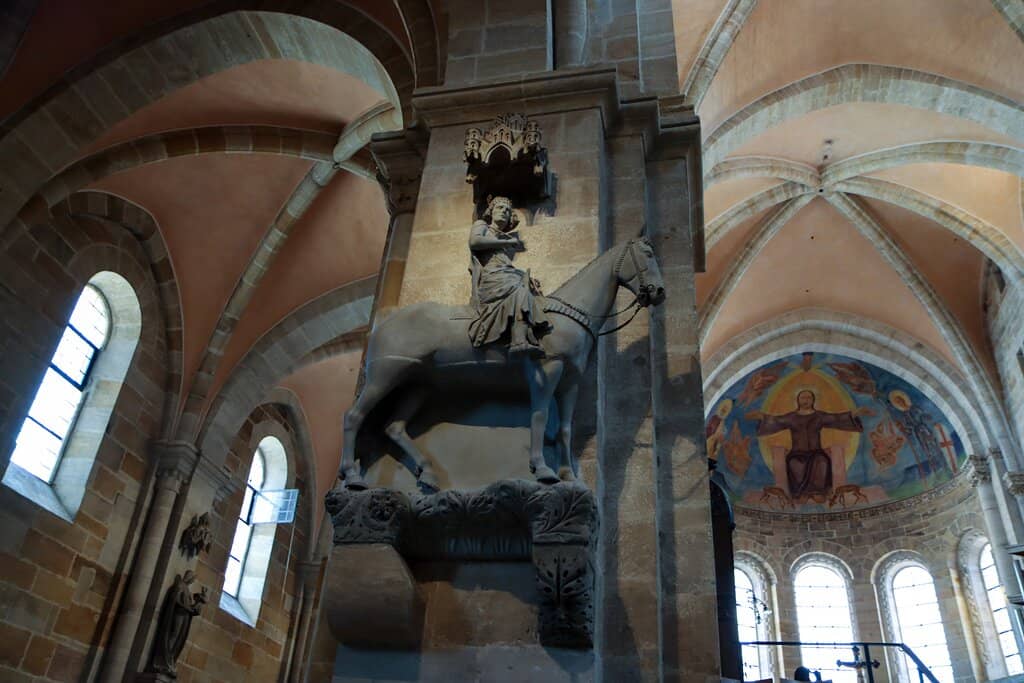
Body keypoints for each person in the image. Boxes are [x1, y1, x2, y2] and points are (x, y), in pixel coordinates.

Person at [746, 390, 872, 503]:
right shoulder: (791, 417)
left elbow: (836, 419)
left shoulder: (819, 416)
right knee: (794, 463)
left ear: (813, 400)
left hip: (816, 452)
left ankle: (818, 492)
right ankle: (800, 494)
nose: (805, 400)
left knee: (821, 461)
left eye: (808, 398)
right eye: (803, 398)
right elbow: (777, 421)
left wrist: (855, 413)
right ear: (798, 400)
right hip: (797, 453)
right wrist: (762, 417)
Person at [468, 195, 550, 356]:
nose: (504, 212)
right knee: (519, 290)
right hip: (492, 278)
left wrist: (524, 276)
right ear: (491, 212)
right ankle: (518, 342)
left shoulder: (501, 238)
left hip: (504, 274)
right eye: (500, 208)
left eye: (507, 210)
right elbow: (475, 242)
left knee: (527, 285)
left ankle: (526, 332)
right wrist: (506, 242)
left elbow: (504, 266)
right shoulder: (482, 225)